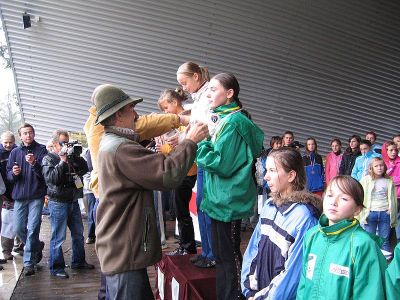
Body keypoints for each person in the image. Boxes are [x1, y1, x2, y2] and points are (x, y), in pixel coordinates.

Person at [93, 84, 208, 299]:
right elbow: (168, 175)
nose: (136, 114)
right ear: (119, 115)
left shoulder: (113, 143)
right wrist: (190, 141)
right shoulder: (122, 148)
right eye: (131, 109)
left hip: (121, 247)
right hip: (124, 250)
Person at [196, 73, 264, 300]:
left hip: (229, 200)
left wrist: (199, 143)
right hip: (220, 198)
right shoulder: (225, 119)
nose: (208, 94)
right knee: (223, 254)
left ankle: (234, 295)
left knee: (229, 254)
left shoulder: (234, 122)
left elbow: (220, 163)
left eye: (213, 89)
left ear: (230, 93)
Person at [241, 148, 321, 300]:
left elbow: (293, 274)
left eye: (272, 170)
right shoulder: (269, 206)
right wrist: (248, 289)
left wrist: (262, 298)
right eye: (266, 170)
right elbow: (252, 251)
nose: (266, 177)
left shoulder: (305, 217)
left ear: (291, 175)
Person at [296, 175, 387, 300]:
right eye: (330, 195)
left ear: (357, 210)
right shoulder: (312, 235)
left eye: (344, 198)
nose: (333, 202)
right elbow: (303, 283)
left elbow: (369, 294)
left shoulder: (362, 245)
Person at [176, 61, 216, 267]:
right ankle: (207, 251)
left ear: (196, 77)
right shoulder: (199, 98)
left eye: (184, 83)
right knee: (201, 205)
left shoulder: (210, 94)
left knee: (206, 206)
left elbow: (210, 125)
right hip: (201, 156)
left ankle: (211, 255)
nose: (183, 88)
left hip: (207, 156)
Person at [42, 130, 94, 279]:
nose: (66, 145)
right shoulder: (48, 159)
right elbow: (52, 179)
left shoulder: (71, 157)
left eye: (67, 142)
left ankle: (78, 262)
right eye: (63, 143)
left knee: (78, 234)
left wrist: (74, 157)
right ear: (54, 144)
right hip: (58, 202)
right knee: (58, 237)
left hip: (72, 200)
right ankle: (56, 267)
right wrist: (62, 161)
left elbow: (85, 168)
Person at [156, 88, 200, 258]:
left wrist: (164, 148)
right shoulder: (182, 122)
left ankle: (187, 246)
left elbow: (184, 149)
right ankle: (185, 245)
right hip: (184, 171)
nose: (165, 112)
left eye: (166, 108)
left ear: (175, 103)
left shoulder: (186, 121)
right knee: (180, 211)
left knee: (181, 211)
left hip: (187, 172)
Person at [6, 123, 47, 276]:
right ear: (20, 136)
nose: (28, 135)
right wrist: (14, 173)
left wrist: (34, 163)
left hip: (36, 196)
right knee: (18, 228)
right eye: (25, 133)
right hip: (19, 197)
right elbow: (9, 175)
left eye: (30, 132)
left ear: (34, 134)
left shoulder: (41, 150)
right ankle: (36, 246)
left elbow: (44, 174)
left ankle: (29, 263)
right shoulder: (15, 152)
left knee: (34, 228)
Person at [358, 157, 397, 255]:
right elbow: (359, 194)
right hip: (370, 213)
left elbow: (393, 198)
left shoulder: (388, 180)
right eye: (376, 166)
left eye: (381, 165)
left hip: (385, 213)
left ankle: (386, 265)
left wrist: (390, 210)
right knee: (370, 239)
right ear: (371, 168)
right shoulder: (365, 180)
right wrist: (362, 211)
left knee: (385, 240)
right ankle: (371, 261)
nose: (379, 168)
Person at [0, 131, 17, 262]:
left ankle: (21, 246)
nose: (8, 144)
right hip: (4, 192)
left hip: (17, 190)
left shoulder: (17, 151)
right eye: (5, 142)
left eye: (10, 142)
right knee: (7, 223)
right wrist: (3, 193)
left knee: (22, 221)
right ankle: (6, 250)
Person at [382, 141, 400, 242]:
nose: (393, 152)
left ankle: (398, 244)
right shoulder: (383, 163)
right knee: (386, 221)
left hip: (398, 196)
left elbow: (387, 179)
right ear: (386, 151)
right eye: (391, 150)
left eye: (395, 150)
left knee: (397, 220)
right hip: (385, 197)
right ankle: (386, 245)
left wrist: (390, 180)